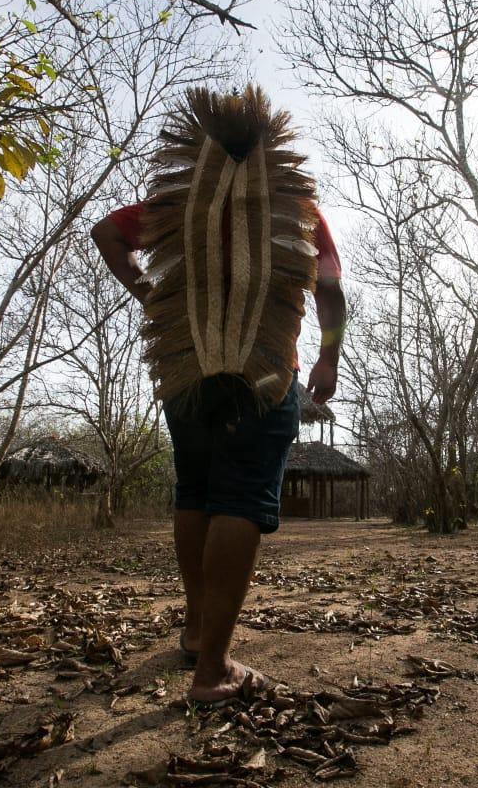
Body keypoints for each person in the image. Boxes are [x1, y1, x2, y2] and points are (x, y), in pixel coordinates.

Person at [91, 86, 346, 705]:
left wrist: (148, 293)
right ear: (268, 145)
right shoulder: (297, 207)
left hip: (187, 377)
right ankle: (214, 670)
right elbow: (331, 287)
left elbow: (107, 233)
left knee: (197, 493)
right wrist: (328, 355)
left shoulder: (176, 203)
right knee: (238, 498)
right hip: (265, 378)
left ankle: (197, 628)